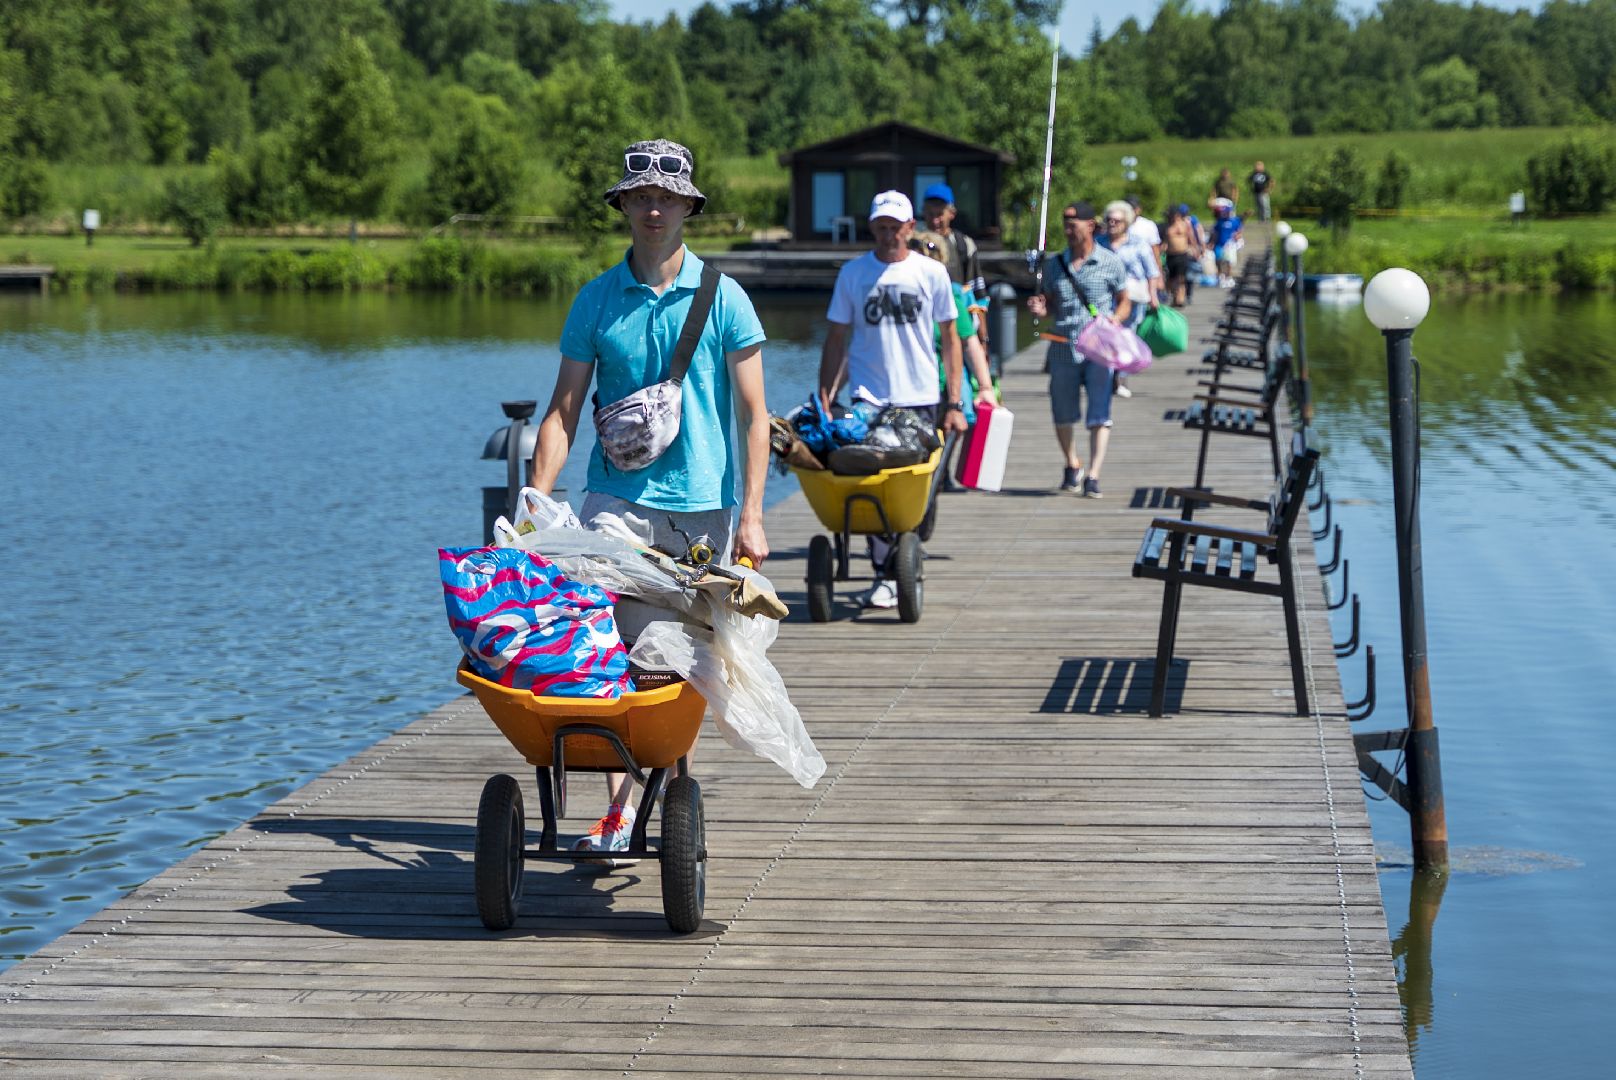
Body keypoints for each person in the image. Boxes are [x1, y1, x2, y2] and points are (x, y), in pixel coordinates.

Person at [528, 138, 771, 858]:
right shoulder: (597, 300)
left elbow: (756, 415)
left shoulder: (723, 296)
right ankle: (617, 810)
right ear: (624, 206)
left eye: (668, 196)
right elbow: (563, 409)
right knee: (615, 651)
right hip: (617, 502)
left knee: (682, 663)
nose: (654, 207)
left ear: (689, 205)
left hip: (703, 510)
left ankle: (672, 798)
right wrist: (534, 502)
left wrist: (754, 515)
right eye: (641, 196)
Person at [820, 191, 969, 608]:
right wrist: (825, 396)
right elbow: (836, 338)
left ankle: (906, 554)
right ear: (873, 227)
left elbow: (951, 340)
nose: (888, 234)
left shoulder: (931, 273)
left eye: (896, 227)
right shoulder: (853, 274)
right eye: (881, 226)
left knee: (917, 493)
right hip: (868, 396)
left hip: (920, 395)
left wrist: (954, 402)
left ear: (909, 228)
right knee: (871, 484)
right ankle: (886, 573)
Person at [1026, 201, 1130, 499]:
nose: (1068, 229)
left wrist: (1117, 318)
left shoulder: (1110, 262)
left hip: (1099, 350)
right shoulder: (1054, 265)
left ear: (1090, 226)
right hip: (1062, 347)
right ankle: (1072, 463)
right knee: (1062, 412)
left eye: (1074, 224)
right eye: (1065, 223)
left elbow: (1125, 300)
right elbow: (1049, 305)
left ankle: (1094, 475)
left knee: (1100, 412)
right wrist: (1040, 307)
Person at [920, 183, 989, 354]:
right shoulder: (914, 245)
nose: (935, 220)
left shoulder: (964, 245)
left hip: (958, 323)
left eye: (940, 214)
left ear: (951, 214)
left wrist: (983, 338)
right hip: (923, 325)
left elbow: (977, 294)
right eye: (930, 214)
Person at [1162, 206, 1195, 307]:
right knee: (1171, 278)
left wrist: (1195, 249)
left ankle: (1180, 299)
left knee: (1181, 278)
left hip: (1182, 254)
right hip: (1171, 255)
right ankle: (1174, 296)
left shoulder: (1185, 225)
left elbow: (1191, 238)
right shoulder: (1167, 227)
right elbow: (1165, 241)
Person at [1210, 198, 1244, 287]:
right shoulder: (1219, 221)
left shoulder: (1234, 221)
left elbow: (1239, 231)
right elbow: (1215, 233)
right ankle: (1220, 277)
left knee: (1229, 262)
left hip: (1229, 245)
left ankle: (1228, 277)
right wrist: (1212, 243)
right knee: (1219, 261)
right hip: (1219, 244)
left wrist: (1237, 238)